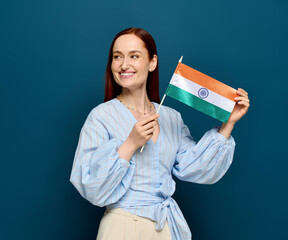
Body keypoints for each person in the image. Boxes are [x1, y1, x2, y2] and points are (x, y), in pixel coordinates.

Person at [70, 27, 250, 240]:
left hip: (165, 227)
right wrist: (129, 144)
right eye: (117, 57)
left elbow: (195, 167)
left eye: (134, 56)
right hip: (122, 227)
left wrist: (228, 124)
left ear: (152, 62)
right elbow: (91, 186)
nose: (124, 65)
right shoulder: (100, 116)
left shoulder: (171, 117)